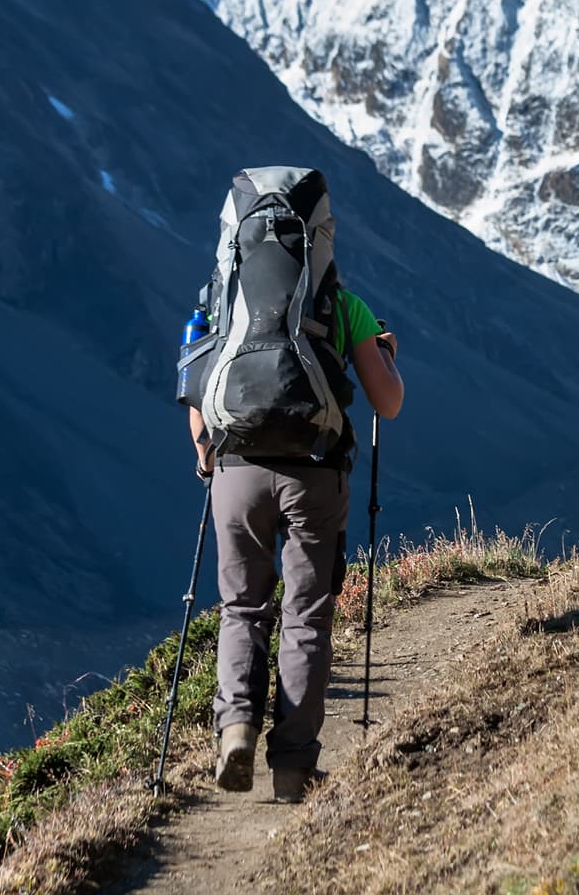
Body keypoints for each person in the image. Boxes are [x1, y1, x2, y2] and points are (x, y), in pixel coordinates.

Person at [188, 282, 403, 802]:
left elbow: (195, 387)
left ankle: (236, 727)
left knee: (242, 608)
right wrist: (384, 354)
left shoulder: (216, 301)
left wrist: (206, 459)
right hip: (314, 472)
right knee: (306, 614)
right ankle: (293, 768)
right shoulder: (343, 303)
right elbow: (387, 402)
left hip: (238, 471)